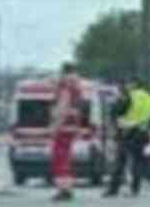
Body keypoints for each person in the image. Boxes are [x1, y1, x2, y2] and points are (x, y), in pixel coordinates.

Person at [104, 78, 150, 198]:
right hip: (143, 134)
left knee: (120, 161)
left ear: (133, 85)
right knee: (137, 162)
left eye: (128, 84)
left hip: (127, 133)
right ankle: (135, 189)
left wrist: (115, 105)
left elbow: (116, 112)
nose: (126, 86)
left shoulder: (129, 96)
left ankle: (113, 189)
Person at [50, 62, 82, 202]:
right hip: (72, 125)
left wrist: (55, 126)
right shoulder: (76, 86)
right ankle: (67, 189)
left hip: (63, 126)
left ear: (64, 72)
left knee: (59, 158)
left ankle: (63, 190)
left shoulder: (65, 86)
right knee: (66, 158)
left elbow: (63, 107)